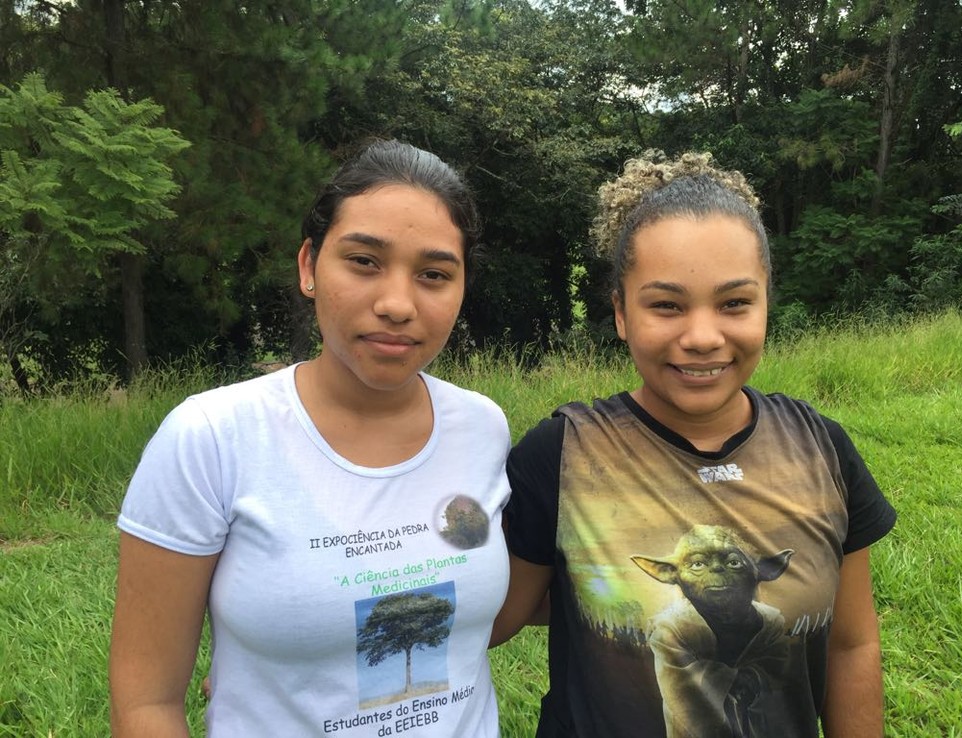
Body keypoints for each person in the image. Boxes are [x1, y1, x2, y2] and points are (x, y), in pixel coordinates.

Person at [109, 140, 512, 737]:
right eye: (364, 262)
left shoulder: (482, 426)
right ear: (308, 267)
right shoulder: (212, 438)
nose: (397, 304)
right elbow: (147, 703)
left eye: (433, 275)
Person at [491, 151, 896, 738]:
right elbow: (500, 614)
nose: (703, 337)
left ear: (765, 304)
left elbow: (852, 643)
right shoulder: (563, 453)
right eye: (666, 305)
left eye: (734, 303)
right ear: (622, 314)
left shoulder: (821, 447)